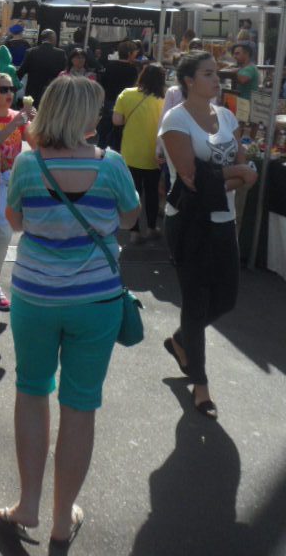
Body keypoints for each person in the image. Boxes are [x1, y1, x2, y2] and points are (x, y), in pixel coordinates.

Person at [0, 76, 140, 548]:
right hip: (96, 302)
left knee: (32, 392)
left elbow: (15, 222)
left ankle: (28, 505)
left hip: (35, 297)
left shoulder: (29, 166)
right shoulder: (112, 165)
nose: (99, 117)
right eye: (95, 109)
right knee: (80, 405)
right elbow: (130, 218)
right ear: (81, 117)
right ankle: (61, 518)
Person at [158, 51, 257, 418]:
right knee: (196, 301)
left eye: (217, 74)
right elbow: (191, 177)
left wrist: (233, 173)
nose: (217, 81)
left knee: (227, 298)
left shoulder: (227, 116)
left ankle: (182, 339)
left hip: (223, 219)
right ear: (188, 80)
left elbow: (241, 163)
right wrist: (237, 175)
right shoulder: (175, 119)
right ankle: (200, 384)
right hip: (189, 222)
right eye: (208, 74)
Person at [0, 72, 34, 311]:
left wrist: (34, 121)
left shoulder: (17, 117)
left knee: (5, 233)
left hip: (12, 181)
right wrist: (15, 124)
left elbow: (36, 145)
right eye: (2, 89)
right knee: (2, 231)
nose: (9, 94)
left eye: (11, 89)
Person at [113, 63, 166, 244]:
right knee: (151, 193)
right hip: (155, 155)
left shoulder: (126, 94)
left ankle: (134, 231)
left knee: (132, 193)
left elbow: (117, 121)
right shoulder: (164, 101)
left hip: (131, 153)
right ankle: (152, 227)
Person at [97, 40, 139, 148]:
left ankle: (101, 149)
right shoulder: (133, 69)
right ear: (129, 53)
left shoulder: (109, 66)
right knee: (119, 132)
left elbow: (103, 83)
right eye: (135, 52)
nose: (136, 55)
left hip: (109, 100)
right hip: (124, 103)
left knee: (105, 130)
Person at [16, 28, 67, 105]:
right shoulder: (60, 53)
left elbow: (21, 72)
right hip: (52, 92)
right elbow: (65, 73)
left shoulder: (30, 52)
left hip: (32, 93)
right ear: (53, 39)